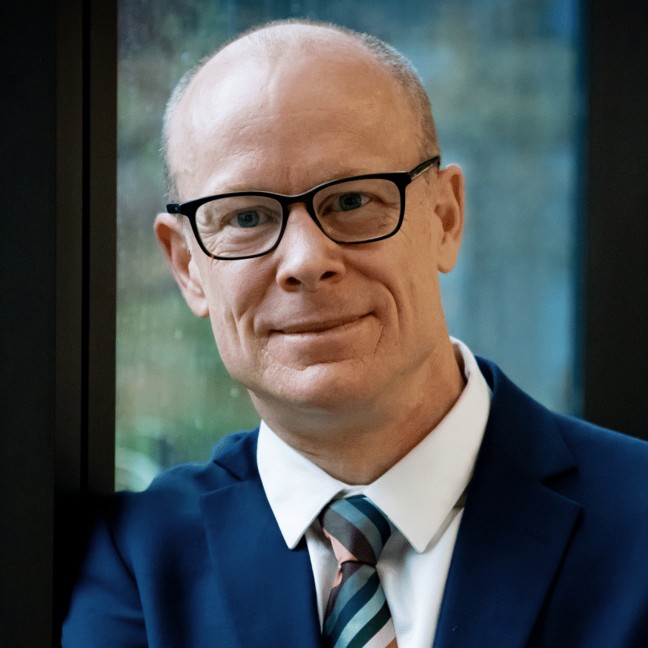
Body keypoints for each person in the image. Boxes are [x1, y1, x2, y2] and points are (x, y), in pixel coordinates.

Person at [62, 19, 648, 648]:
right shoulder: (135, 564)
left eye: (351, 201)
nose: (306, 260)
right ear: (187, 267)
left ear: (444, 219)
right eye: (247, 216)